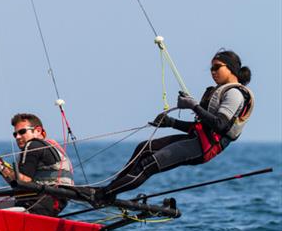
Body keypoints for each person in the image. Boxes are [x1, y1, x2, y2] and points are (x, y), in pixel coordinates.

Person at [95, 50, 253, 203]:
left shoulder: (234, 94)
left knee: (147, 165)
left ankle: (102, 194)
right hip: (196, 139)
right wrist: (170, 122)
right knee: (144, 148)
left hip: (203, 148)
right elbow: (201, 128)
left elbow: (220, 125)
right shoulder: (222, 91)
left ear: (231, 68)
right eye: (211, 68)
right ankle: (110, 190)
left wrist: (193, 106)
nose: (212, 72)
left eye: (217, 67)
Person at [0, 113, 74, 216]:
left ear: (38, 131)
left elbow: (24, 181)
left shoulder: (33, 145)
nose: (17, 137)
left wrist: (0, 165)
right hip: (46, 204)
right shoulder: (49, 147)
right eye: (15, 134)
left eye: (22, 132)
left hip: (39, 203)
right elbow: (18, 185)